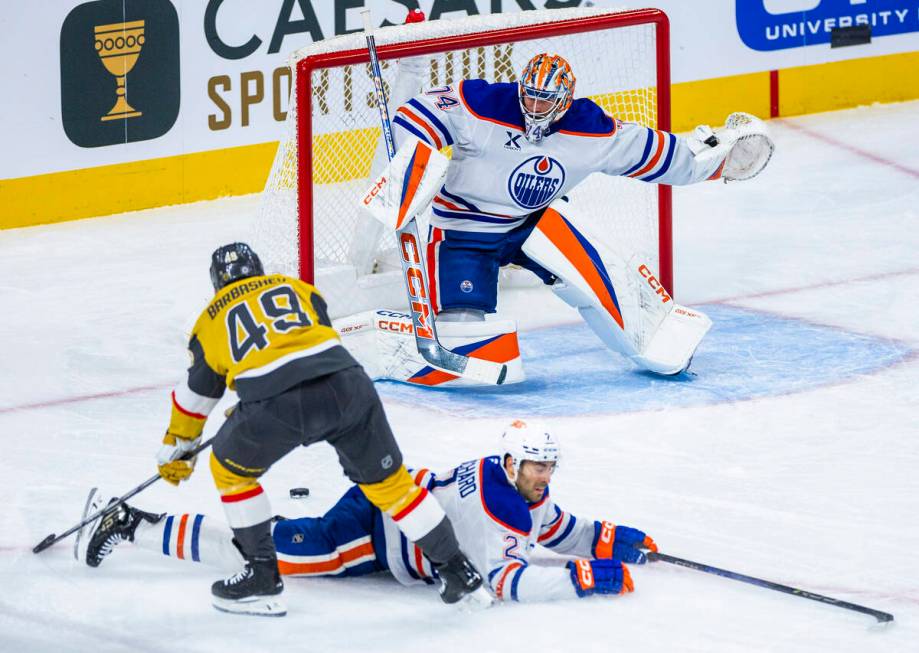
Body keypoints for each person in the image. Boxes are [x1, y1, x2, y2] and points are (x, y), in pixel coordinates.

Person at [133, 241, 490, 616]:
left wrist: (180, 444)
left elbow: (195, 398)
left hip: (276, 404)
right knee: (391, 485)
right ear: (258, 268)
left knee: (229, 468)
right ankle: (459, 573)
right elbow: (306, 346)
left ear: (216, 283)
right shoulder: (298, 289)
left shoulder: (209, 319)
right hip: (348, 385)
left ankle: (261, 578)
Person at [387, 51, 774, 375]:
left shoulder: (589, 128)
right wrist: (414, 161)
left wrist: (715, 162)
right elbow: (417, 114)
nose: (535, 107)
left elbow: (653, 152)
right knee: (465, 335)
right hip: (463, 231)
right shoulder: (482, 102)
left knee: (600, 282)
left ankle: (650, 336)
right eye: (531, 96)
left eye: (546, 100)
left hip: (534, 223)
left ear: (565, 100)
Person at [81, 420, 657, 602]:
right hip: (373, 532)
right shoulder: (495, 507)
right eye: (537, 467)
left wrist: (607, 538)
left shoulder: (510, 484)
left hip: (387, 513)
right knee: (280, 557)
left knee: (280, 541)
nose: (545, 477)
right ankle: (132, 524)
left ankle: (141, 524)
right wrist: (582, 579)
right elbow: (505, 580)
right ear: (512, 463)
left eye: (549, 467)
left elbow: (555, 527)